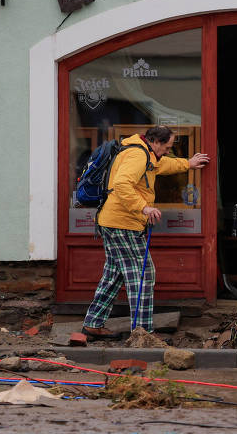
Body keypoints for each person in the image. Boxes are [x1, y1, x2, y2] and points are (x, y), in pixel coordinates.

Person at [82, 126, 209, 340]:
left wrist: (187, 163)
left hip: (114, 222)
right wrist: (144, 207)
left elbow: (162, 164)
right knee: (143, 274)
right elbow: (122, 185)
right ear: (156, 142)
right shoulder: (137, 155)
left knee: (114, 274)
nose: (168, 151)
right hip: (123, 223)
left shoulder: (145, 152)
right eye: (167, 147)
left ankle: (93, 323)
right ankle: (143, 332)